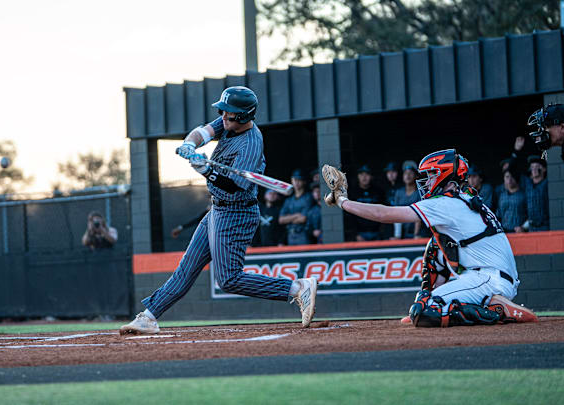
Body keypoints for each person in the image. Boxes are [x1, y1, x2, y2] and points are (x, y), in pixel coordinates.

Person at [120, 86, 318, 335]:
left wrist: (206, 171)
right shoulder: (229, 122)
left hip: (237, 213)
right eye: (223, 112)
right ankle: (148, 318)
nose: (223, 116)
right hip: (217, 210)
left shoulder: (250, 144)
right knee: (186, 269)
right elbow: (203, 132)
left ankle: (297, 288)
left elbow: (235, 187)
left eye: (229, 113)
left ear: (244, 116)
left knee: (228, 279)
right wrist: (189, 145)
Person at [322, 148, 537, 327]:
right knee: (435, 246)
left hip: (489, 280)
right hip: (490, 275)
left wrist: (343, 202)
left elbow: (383, 214)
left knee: (425, 312)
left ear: (445, 175)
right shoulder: (466, 196)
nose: (427, 180)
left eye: (432, 174)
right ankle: (435, 301)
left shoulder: (446, 202)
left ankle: (495, 310)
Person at [348, 164, 385, 241]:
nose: (364, 177)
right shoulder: (353, 192)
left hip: (376, 232)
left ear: (371, 176)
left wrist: (381, 230)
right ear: (358, 176)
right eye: (361, 174)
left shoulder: (378, 191)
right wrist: (355, 234)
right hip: (360, 233)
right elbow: (350, 215)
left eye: (367, 174)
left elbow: (384, 210)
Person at [278, 169, 314, 245]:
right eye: (294, 180)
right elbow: (281, 220)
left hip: (303, 233)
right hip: (290, 234)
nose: (296, 182)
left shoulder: (308, 197)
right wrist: (296, 215)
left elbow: (303, 219)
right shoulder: (289, 200)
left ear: (304, 181)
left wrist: (288, 218)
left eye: (299, 180)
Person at [391, 160, 422, 239]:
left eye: (410, 173)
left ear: (416, 176)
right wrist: (397, 236)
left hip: (418, 234)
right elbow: (396, 214)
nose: (407, 175)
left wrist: (416, 235)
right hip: (403, 233)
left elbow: (419, 216)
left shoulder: (419, 193)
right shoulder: (399, 193)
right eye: (405, 173)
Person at [495, 169, 528, 233]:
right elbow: (498, 215)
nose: (509, 180)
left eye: (512, 177)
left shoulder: (524, 195)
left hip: (519, 231)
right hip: (504, 232)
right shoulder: (502, 196)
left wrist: (523, 227)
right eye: (507, 177)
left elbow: (531, 215)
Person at [522, 155, 549, 232]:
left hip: (545, 226)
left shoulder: (547, 184)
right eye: (532, 167)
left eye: (537, 166)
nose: (534, 169)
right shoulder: (528, 185)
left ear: (544, 169)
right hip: (531, 227)